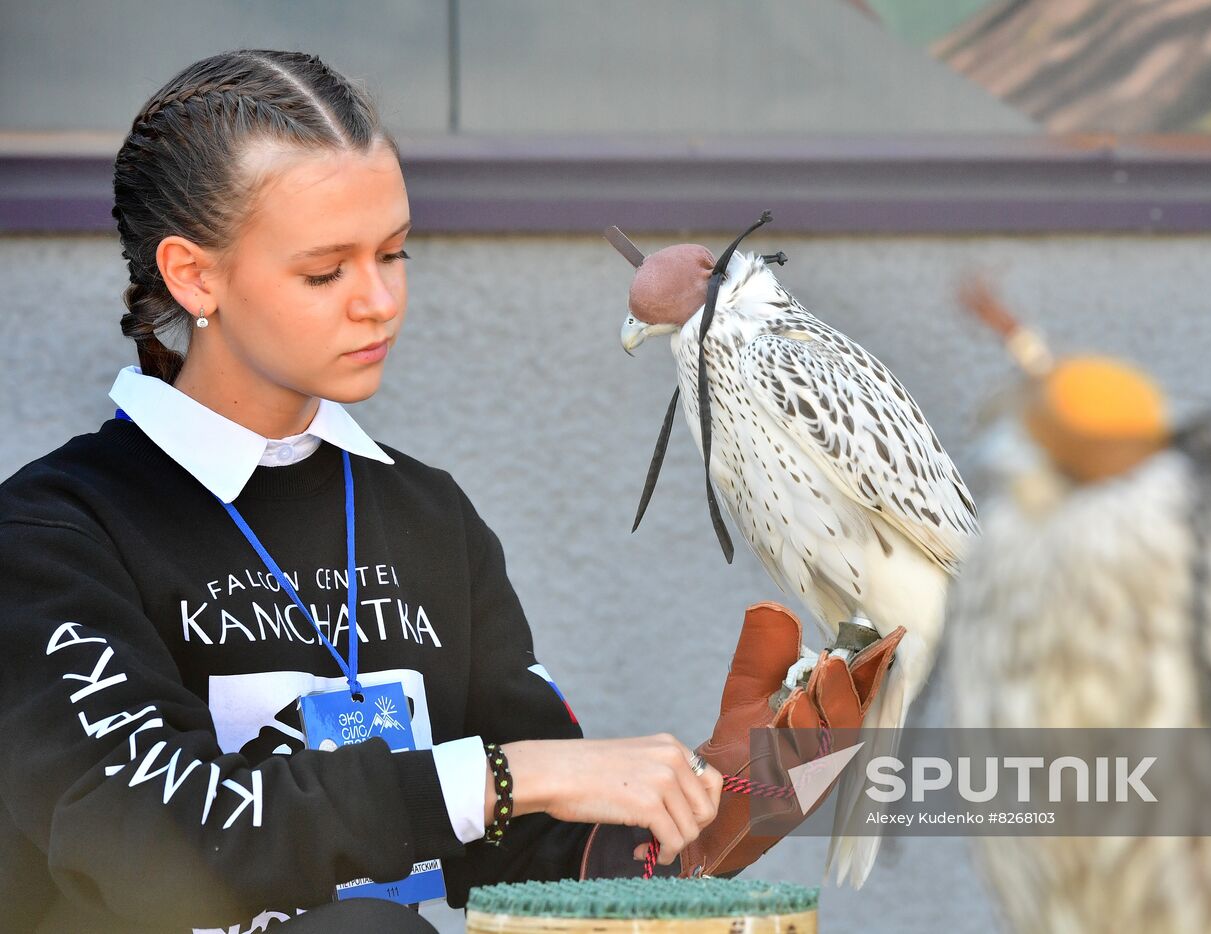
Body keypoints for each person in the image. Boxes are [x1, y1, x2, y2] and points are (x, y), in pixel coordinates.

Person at [0, 49, 724, 934]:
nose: (378, 301)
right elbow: (159, 846)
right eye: (325, 271)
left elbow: (529, 853)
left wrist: (691, 820)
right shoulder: (48, 533)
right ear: (195, 275)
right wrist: (505, 774)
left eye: (394, 252)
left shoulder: (427, 515)